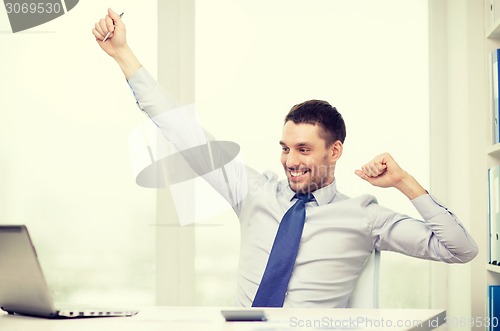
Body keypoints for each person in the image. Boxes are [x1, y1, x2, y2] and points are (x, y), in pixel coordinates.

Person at [92, 8, 478, 308]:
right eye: (285, 147)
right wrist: (122, 53)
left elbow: (460, 250)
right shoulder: (253, 192)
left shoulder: (365, 216)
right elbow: (181, 130)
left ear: (335, 150)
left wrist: (404, 183)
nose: (290, 160)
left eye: (304, 149)